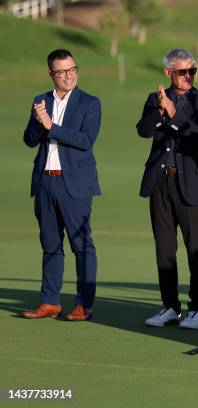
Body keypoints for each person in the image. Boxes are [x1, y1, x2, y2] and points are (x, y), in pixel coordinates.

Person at [137, 48, 198, 330]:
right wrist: (161, 110)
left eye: (192, 71)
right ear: (168, 73)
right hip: (160, 182)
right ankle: (169, 306)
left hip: (192, 182)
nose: (188, 76)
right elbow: (144, 130)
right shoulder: (154, 99)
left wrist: (173, 115)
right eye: (182, 71)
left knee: (196, 247)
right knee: (164, 248)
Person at [22, 49, 101, 321]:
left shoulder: (90, 103)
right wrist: (38, 122)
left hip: (75, 184)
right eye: (62, 71)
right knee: (50, 244)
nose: (69, 75)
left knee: (82, 246)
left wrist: (51, 126)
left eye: (72, 69)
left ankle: (84, 305)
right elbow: (30, 140)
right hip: (45, 181)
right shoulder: (40, 100)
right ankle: (50, 301)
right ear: (51, 74)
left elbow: (85, 141)